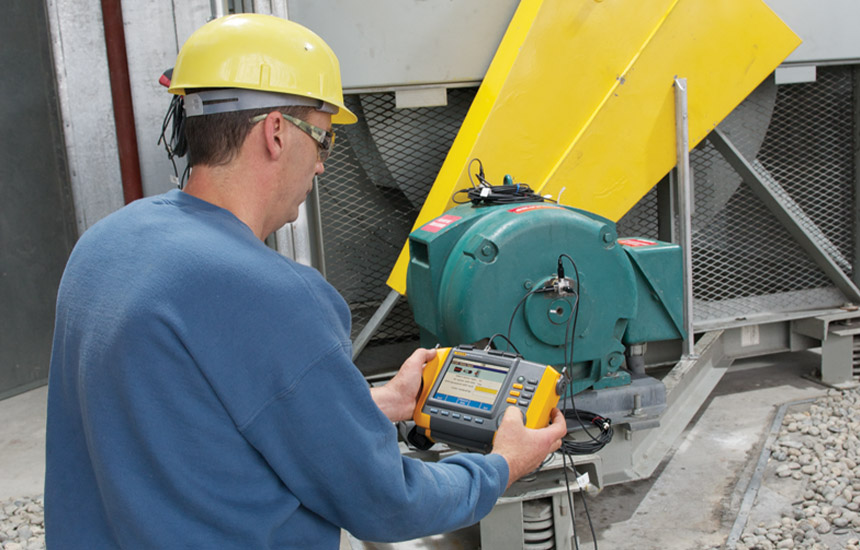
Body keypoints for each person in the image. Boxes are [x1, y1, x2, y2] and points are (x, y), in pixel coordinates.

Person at [44, 13, 567, 549]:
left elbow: (199, 423)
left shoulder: (104, 245)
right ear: (275, 133)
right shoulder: (270, 295)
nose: (320, 166)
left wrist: (379, 402)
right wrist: (502, 465)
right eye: (324, 139)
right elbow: (388, 502)